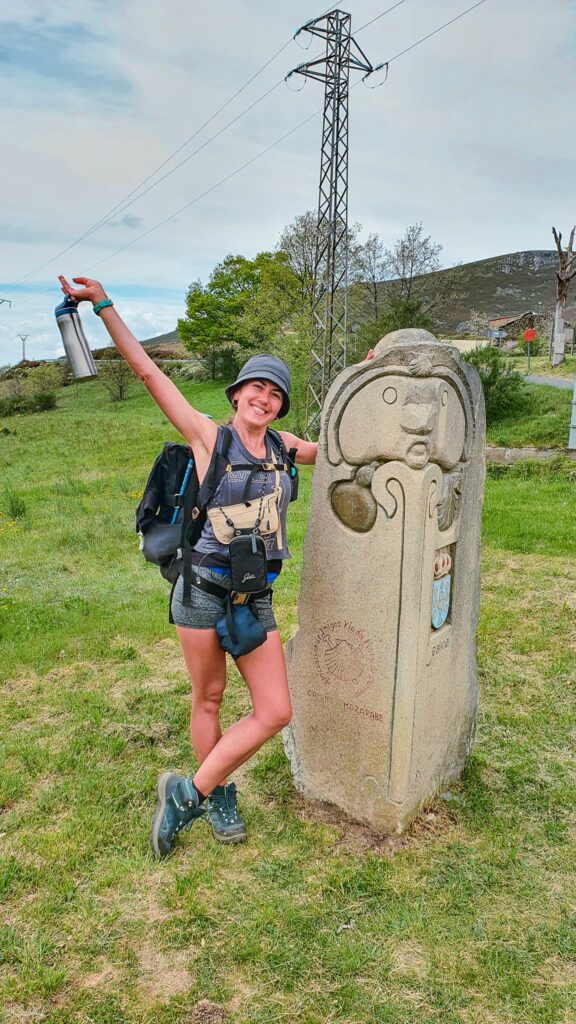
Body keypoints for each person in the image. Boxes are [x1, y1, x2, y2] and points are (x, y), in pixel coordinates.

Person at [57, 275, 318, 859]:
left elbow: (343, 443)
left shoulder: (285, 447)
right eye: (255, 387)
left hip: (256, 597)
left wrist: (372, 373)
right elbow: (150, 373)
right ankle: (219, 793)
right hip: (200, 590)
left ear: (279, 406)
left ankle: (188, 792)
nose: (264, 398)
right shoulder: (208, 438)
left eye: (274, 393)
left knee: (275, 710)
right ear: (236, 395)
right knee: (209, 699)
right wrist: (103, 306)